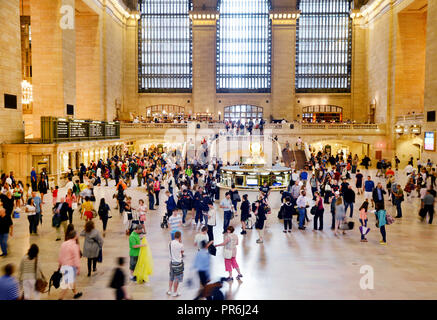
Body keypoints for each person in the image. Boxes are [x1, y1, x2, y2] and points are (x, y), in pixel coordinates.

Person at [58, 230, 82, 300]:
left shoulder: (64, 244)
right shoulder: (75, 246)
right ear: (75, 236)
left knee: (71, 280)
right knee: (67, 284)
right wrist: (78, 267)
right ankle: (60, 298)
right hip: (71, 267)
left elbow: (60, 255)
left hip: (64, 266)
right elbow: (76, 258)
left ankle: (75, 293)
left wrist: (59, 265)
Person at [168, 231, 184, 297]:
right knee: (177, 279)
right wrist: (180, 242)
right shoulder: (181, 245)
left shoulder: (170, 243)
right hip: (178, 263)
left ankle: (169, 290)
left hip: (172, 262)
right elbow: (182, 252)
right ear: (180, 236)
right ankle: (175, 292)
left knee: (171, 277)